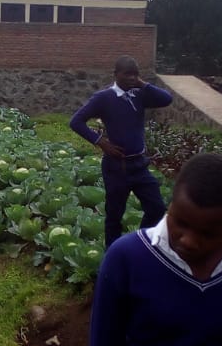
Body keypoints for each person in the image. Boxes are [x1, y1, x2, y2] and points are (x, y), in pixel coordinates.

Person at [88, 153, 222, 346]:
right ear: (171, 203)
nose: (189, 241)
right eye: (181, 223)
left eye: (208, 234)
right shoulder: (126, 257)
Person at [69, 55, 173, 248]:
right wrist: (101, 142)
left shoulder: (139, 95)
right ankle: (113, 256)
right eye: (127, 74)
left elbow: (166, 99)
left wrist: (142, 83)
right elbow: (76, 121)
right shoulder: (104, 98)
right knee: (114, 215)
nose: (132, 78)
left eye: (135, 74)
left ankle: (140, 246)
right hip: (116, 167)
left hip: (139, 165)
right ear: (115, 74)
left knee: (157, 208)